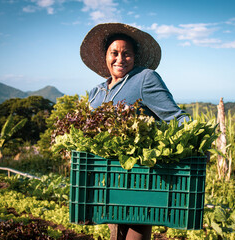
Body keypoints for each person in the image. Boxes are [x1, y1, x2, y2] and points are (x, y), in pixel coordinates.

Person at [80, 23, 188, 240]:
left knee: (135, 232)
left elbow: (175, 116)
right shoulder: (96, 92)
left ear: (135, 57)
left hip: (139, 176)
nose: (120, 59)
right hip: (107, 179)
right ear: (105, 57)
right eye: (115, 53)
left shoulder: (144, 78)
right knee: (115, 234)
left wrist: (195, 140)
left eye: (126, 54)